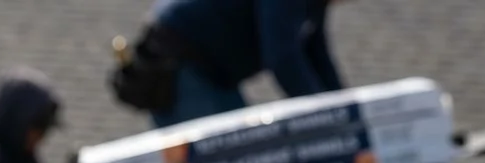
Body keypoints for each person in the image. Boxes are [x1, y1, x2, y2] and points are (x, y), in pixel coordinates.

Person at [117, 0, 346, 129]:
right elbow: (282, 59)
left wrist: (346, 108)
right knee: (226, 160)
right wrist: (325, 119)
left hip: (214, 71)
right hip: (181, 62)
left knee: (244, 153)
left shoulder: (314, 5)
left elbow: (316, 54)